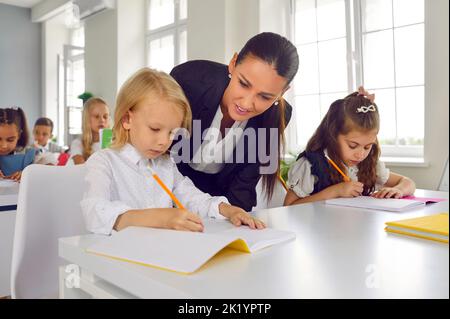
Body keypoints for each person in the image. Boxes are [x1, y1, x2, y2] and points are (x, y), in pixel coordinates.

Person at [81, 68, 265, 235]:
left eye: (172, 132)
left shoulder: (166, 165)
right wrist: (160, 218)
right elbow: (94, 210)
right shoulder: (103, 162)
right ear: (127, 119)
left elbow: (193, 198)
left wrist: (228, 209)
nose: (164, 142)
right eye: (154, 129)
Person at [170, 32, 299, 211]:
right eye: (244, 84)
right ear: (233, 63)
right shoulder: (188, 81)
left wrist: (236, 220)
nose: (246, 103)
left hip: (219, 201)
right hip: (167, 190)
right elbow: (157, 157)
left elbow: (243, 186)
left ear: (283, 92)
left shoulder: (277, 115)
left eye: (264, 97)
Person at [284, 91, 416, 206]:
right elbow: (288, 206)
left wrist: (399, 190)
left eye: (367, 147)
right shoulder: (311, 165)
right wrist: (335, 191)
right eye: (353, 146)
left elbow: (407, 182)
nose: (360, 155)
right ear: (333, 135)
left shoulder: (368, 165)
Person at [70, 97, 110, 165]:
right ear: (87, 119)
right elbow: (80, 166)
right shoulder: (78, 144)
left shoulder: (113, 143)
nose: (102, 120)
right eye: (97, 116)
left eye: (105, 117)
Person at [0, 107, 34, 182]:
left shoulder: (29, 154)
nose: (3, 146)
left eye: (10, 140)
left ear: (19, 135)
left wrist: (29, 174)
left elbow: (51, 168)